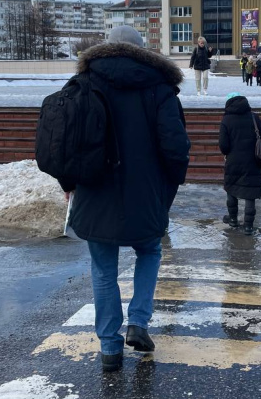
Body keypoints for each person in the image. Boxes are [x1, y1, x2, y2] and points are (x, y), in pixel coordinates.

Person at [65, 25, 191, 372]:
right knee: (149, 250)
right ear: (143, 50)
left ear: (105, 48)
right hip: (146, 191)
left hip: (95, 189)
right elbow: (176, 147)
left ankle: (109, 348)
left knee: (103, 268)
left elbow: (65, 140)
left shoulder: (84, 82)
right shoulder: (160, 87)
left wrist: (69, 181)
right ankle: (138, 321)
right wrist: (168, 186)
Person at [219, 92, 261, 235]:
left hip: (233, 161)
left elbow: (223, 145)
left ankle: (233, 220)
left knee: (231, 189)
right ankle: (249, 226)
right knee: (250, 193)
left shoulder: (226, 120)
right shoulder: (253, 117)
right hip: (252, 161)